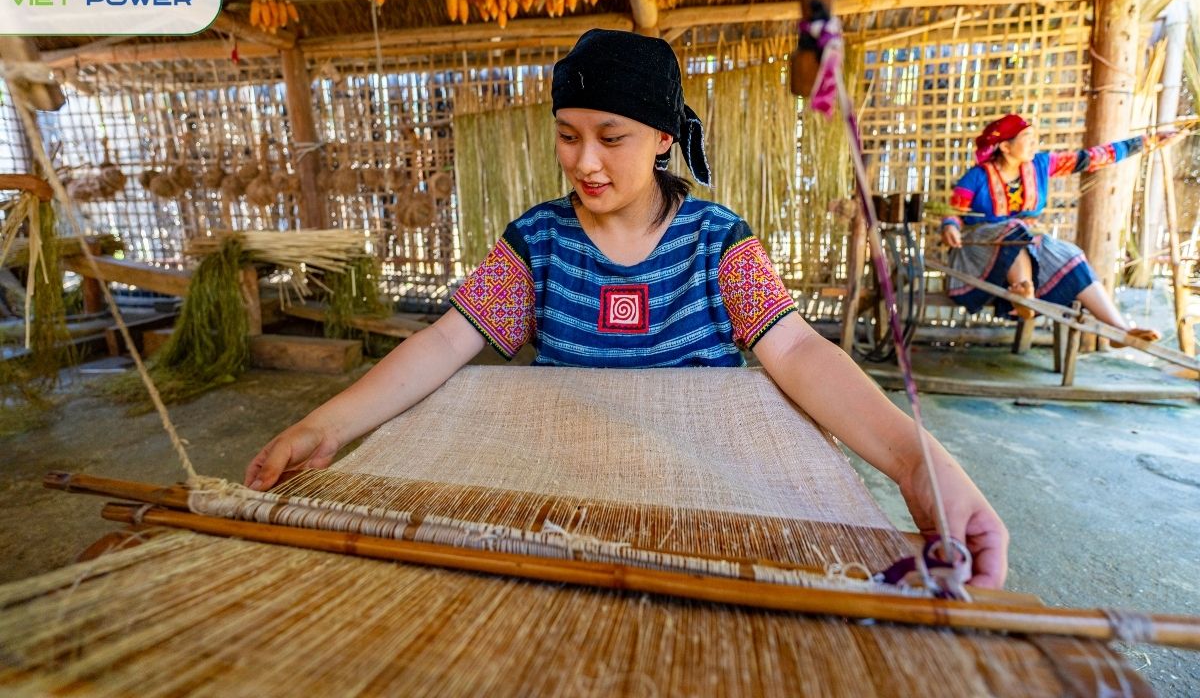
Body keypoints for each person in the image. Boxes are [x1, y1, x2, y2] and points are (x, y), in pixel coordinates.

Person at [245, 29, 1009, 588]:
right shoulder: (538, 242)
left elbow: (798, 352)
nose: (584, 161)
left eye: (611, 137)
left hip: (703, 500)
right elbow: (447, 342)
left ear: (664, 140)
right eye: (568, 136)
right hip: (568, 492)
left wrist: (917, 466)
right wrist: (328, 425)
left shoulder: (717, 243)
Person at [941, 114, 1171, 341]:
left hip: (1025, 245)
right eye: (1027, 138)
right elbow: (953, 211)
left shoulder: (1040, 165)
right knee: (1014, 230)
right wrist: (950, 226)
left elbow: (1091, 157)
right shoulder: (977, 176)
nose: (1034, 143)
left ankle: (1119, 331)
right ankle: (1024, 296)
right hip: (979, 251)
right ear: (1005, 146)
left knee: (1071, 255)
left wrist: (1145, 142)